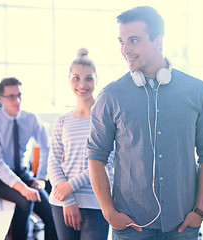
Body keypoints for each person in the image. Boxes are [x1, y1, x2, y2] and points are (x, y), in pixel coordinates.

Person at [86, 6, 203, 240]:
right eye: (121, 41)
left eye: (134, 40)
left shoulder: (197, 91)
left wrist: (200, 211)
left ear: (157, 41)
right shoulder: (111, 95)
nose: (125, 50)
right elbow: (96, 156)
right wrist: (109, 213)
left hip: (183, 224)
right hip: (130, 226)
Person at [47, 48, 114, 240]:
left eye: (89, 78)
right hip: (62, 203)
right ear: (69, 79)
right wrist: (67, 198)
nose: (82, 84)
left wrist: (71, 186)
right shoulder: (62, 121)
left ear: (96, 80)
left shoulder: (105, 118)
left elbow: (108, 163)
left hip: (96, 201)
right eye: (76, 78)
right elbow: (53, 163)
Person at [0, 77, 57, 240]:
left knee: (52, 215)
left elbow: (46, 148)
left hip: (23, 174)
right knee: (25, 200)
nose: (16, 100)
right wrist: (23, 188)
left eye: (19, 95)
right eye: (11, 96)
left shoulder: (30, 119)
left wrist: (42, 178)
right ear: (1, 99)